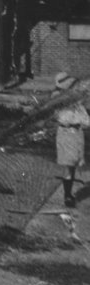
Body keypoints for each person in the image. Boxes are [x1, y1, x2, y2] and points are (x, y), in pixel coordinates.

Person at [53, 73, 89, 208]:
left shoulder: (75, 100)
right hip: (66, 133)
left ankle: (68, 194)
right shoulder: (59, 100)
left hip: (76, 134)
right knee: (69, 165)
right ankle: (67, 196)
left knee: (72, 165)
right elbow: (65, 118)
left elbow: (85, 120)